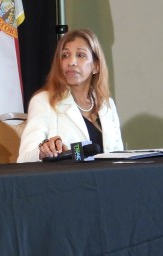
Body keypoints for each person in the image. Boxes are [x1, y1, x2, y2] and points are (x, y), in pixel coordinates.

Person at [17, 28, 123, 162]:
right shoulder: (43, 101)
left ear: (96, 66)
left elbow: (119, 157)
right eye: (65, 56)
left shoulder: (107, 105)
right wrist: (42, 152)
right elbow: (24, 158)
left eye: (80, 55)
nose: (71, 62)